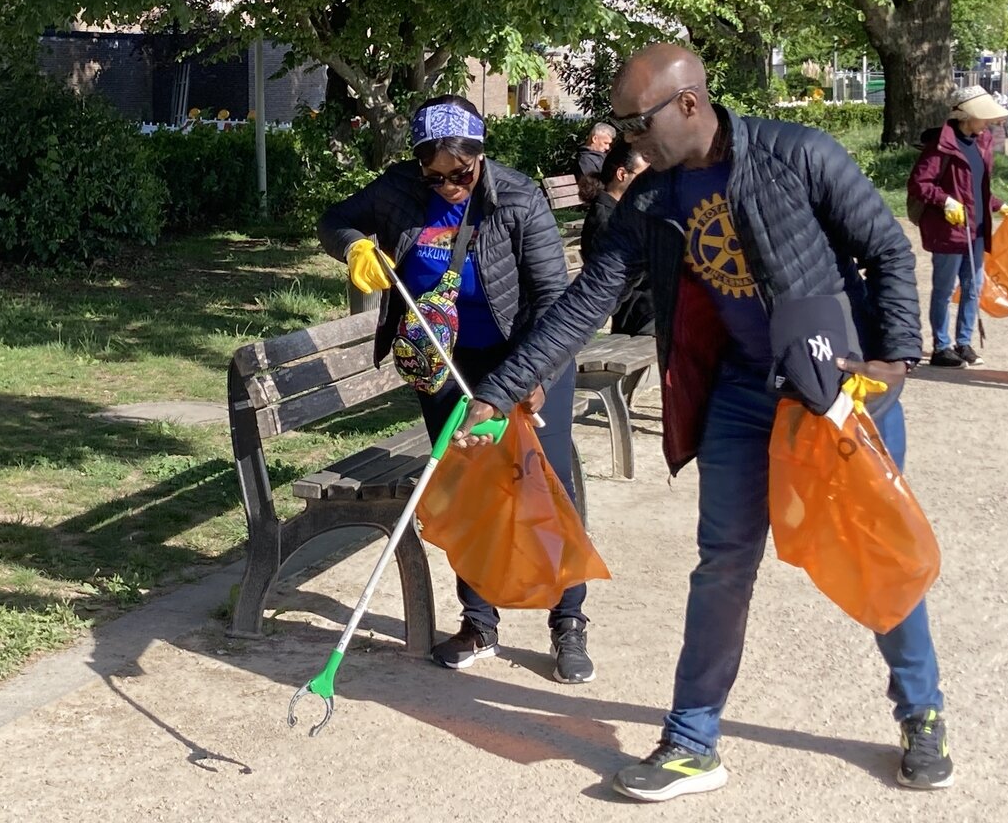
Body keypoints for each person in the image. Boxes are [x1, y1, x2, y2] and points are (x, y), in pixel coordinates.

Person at [460, 44, 952, 801]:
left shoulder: (799, 154)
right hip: (741, 398)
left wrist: (894, 359)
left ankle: (921, 711)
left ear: (688, 103)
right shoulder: (652, 200)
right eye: (620, 125)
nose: (628, 141)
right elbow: (586, 303)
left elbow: (886, 248)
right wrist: (501, 389)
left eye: (637, 122)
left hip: (834, 390)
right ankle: (692, 739)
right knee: (722, 564)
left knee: (874, 548)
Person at [318, 95, 594, 683]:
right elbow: (334, 218)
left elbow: (554, 300)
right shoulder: (397, 191)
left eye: (459, 173)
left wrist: (532, 380)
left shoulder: (518, 198)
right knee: (466, 489)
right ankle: (479, 623)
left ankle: (567, 622)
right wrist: (354, 246)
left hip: (525, 360)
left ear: (480, 155)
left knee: (546, 488)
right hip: (443, 363)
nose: (447, 184)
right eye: (433, 173)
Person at [907, 86, 1008, 368]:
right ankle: (941, 346)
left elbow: (977, 188)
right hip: (949, 230)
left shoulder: (983, 143)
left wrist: (998, 204)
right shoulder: (941, 145)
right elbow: (920, 184)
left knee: (973, 287)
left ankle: (964, 342)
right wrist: (945, 201)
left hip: (978, 227)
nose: (987, 123)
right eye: (983, 117)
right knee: (944, 289)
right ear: (967, 116)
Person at [578, 144, 654, 335]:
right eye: (644, 176)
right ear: (621, 174)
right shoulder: (605, 219)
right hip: (640, 314)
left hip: (650, 307)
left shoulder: (624, 211)